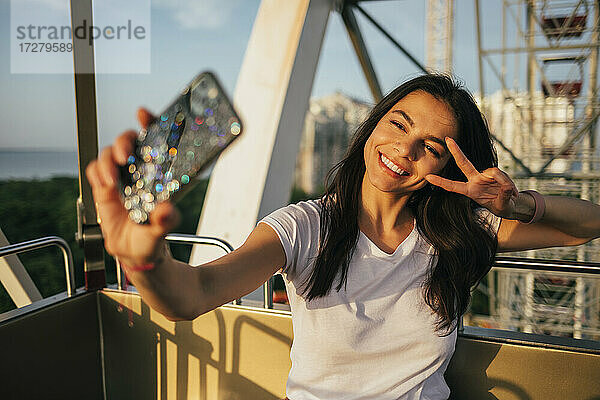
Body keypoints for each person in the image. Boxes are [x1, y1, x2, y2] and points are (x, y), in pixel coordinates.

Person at [86, 74, 600, 399]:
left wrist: (519, 204)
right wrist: (145, 261)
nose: (404, 149)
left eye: (431, 147)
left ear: (449, 166)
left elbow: (587, 228)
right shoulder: (305, 227)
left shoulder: (456, 232)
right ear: (372, 125)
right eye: (397, 125)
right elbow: (192, 294)